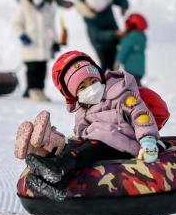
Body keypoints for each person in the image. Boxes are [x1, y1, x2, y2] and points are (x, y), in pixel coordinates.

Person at [24, 50, 163, 201]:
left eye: (93, 81)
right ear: (75, 94)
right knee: (78, 148)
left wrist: (148, 140)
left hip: (122, 142)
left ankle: (58, 167)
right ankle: (55, 183)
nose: (90, 88)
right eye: (82, 87)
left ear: (100, 78)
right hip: (97, 144)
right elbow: (81, 133)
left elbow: (140, 115)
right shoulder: (83, 110)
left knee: (94, 143)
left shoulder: (120, 93)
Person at [13, 0, 61, 102]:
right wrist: (22, 35)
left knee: (42, 70)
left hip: (44, 47)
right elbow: (16, 24)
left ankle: (40, 91)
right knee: (32, 70)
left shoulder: (48, 9)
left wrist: (55, 42)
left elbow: (51, 27)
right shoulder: (24, 8)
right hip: (30, 46)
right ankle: (32, 91)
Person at [74, 0, 129, 71]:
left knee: (114, 65)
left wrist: (124, 6)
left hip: (114, 38)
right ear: (90, 7)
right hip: (100, 43)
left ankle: (114, 80)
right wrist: (114, 33)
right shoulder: (86, 13)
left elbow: (122, 0)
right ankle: (103, 81)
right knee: (105, 64)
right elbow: (97, 34)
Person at [115, 13, 148, 85]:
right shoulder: (142, 37)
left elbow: (123, 49)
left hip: (131, 68)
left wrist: (118, 61)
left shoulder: (131, 37)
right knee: (137, 85)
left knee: (132, 87)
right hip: (140, 70)